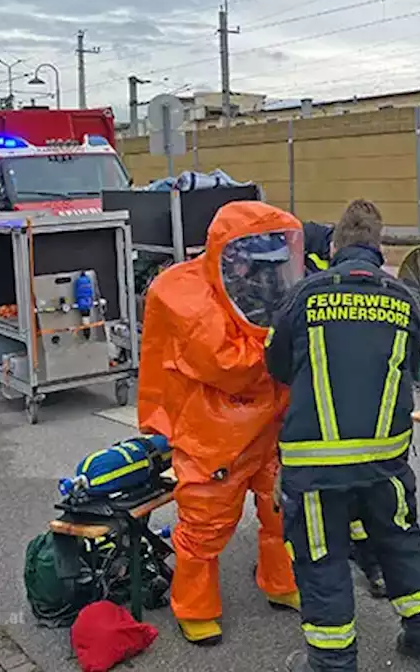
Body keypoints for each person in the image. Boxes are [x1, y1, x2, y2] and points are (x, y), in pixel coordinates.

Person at [266, 199, 420, 672]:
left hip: (316, 461)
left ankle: (332, 661)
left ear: (335, 246)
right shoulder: (404, 299)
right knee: (400, 538)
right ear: (378, 246)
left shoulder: (306, 294)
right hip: (385, 458)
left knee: (322, 556)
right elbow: (415, 370)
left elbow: (277, 366)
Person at [137, 201, 303, 645]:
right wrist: (286, 346)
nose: (267, 273)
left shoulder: (267, 282)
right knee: (205, 524)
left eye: (276, 263)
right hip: (214, 432)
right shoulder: (183, 296)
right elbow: (229, 364)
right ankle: (194, 607)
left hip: (270, 422)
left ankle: (282, 581)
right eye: (258, 264)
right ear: (233, 258)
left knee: (281, 508)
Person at [300, 219, 387, 598]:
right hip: (367, 412)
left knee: (332, 497)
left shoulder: (310, 281)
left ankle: (358, 561)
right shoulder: (373, 284)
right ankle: (375, 564)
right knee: (362, 488)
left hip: (323, 407)